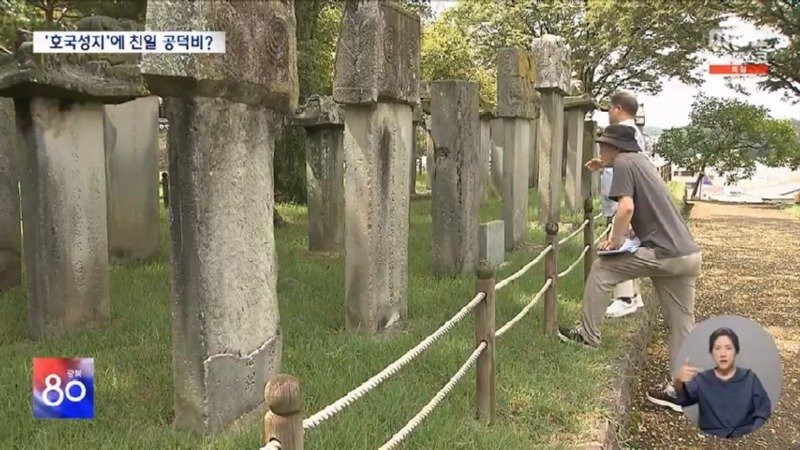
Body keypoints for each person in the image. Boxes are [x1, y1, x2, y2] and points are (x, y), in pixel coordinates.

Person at [558, 124, 702, 413]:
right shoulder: (641, 163)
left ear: (616, 148)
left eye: (603, 146)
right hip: (687, 254)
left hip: (662, 253)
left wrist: (615, 240)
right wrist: (605, 164)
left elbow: (626, 208)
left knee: (602, 269)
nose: (600, 149)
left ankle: (588, 335)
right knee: (681, 322)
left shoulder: (623, 162)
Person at [674, 327, 771, 438]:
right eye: (717, 348)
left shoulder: (750, 378)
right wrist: (678, 381)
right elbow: (683, 401)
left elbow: (763, 410)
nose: (723, 354)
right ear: (711, 353)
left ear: (736, 351)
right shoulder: (702, 380)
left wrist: (750, 435)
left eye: (728, 348)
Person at [603, 91, 645, 318]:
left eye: (610, 108)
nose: (609, 113)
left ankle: (624, 297)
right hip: (622, 197)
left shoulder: (626, 132)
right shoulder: (632, 131)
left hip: (624, 200)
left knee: (620, 245)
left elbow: (627, 166)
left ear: (618, 108)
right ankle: (634, 295)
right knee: (629, 246)